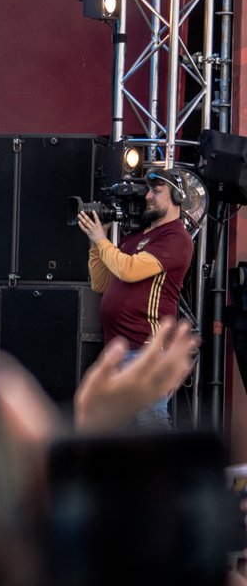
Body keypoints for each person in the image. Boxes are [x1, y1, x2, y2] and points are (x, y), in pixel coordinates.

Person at [77, 169, 195, 429]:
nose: (148, 197)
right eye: (148, 191)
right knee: (120, 427)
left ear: (177, 196)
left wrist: (102, 241)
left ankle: (172, 471)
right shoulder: (137, 237)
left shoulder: (176, 238)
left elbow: (128, 270)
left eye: (156, 191)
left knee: (151, 422)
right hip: (120, 349)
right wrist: (98, 241)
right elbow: (101, 282)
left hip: (147, 348)